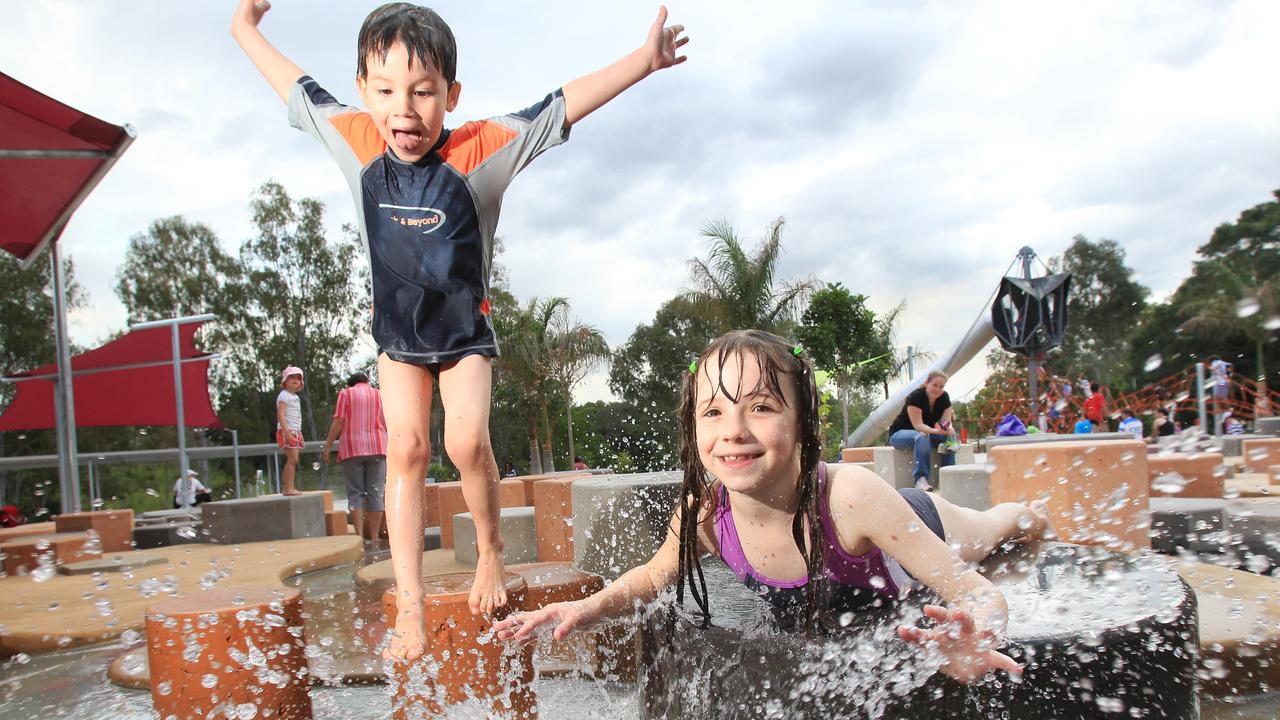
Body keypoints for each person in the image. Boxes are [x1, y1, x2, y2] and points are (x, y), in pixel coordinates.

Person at [231, 0, 689, 660]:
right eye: (386, 91)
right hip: (397, 342)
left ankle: (491, 552)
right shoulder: (356, 138)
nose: (404, 109)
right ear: (365, 91)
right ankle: (411, 609)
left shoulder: (482, 149)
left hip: (464, 338)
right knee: (408, 449)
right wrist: (245, 27)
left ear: (451, 94)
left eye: (423, 92)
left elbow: (560, 105)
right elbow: (294, 84)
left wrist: (645, 61)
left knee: (467, 441)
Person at [495, 330, 1053, 684]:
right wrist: (584, 609)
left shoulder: (851, 496)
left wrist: (979, 633)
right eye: (712, 412)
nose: (733, 431)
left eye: (760, 406)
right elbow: (654, 576)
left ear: (803, 421)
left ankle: (1028, 512)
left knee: (991, 530)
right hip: (850, 577)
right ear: (693, 427)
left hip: (910, 525)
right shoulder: (704, 512)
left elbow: (976, 591)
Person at [322, 372, 389, 541]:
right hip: (378, 447)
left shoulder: (346, 394)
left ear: (351, 384)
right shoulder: (380, 394)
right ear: (366, 382)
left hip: (352, 448)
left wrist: (328, 446)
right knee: (376, 492)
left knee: (355, 493)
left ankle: (359, 536)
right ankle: (374, 537)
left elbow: (338, 421)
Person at [887, 371, 957, 491]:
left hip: (926, 433)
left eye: (941, 387)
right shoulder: (916, 396)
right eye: (934, 385)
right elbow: (918, 425)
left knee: (950, 436)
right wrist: (936, 431)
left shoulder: (944, 397)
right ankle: (920, 479)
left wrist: (948, 429)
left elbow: (946, 421)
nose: (937, 389)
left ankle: (948, 476)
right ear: (926, 383)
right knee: (921, 436)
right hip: (900, 434)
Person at [276, 365, 306, 496]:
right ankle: (288, 488)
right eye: (291, 378)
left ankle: (290, 486)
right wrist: (287, 432)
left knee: (294, 459)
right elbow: (281, 414)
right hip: (288, 430)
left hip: (295, 429)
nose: (295, 381)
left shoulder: (295, 397)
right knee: (292, 459)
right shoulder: (284, 396)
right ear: (285, 381)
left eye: (298, 379)